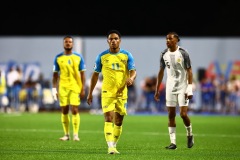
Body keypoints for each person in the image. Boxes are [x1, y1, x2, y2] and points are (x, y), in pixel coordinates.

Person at [87, 30, 137, 154]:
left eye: (115, 38)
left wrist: (131, 78)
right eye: (111, 39)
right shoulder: (102, 56)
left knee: (119, 121)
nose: (113, 41)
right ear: (108, 41)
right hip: (107, 92)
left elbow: (133, 70)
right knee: (108, 118)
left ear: (119, 40)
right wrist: (90, 93)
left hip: (121, 92)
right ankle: (110, 147)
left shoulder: (127, 55)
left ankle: (114, 144)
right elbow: (95, 76)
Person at [154, 32, 194, 150]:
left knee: (183, 114)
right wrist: (157, 89)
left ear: (176, 40)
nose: (168, 41)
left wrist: (189, 87)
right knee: (171, 114)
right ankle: (173, 143)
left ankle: (190, 134)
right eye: (166, 39)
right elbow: (161, 71)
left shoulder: (183, 53)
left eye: (170, 39)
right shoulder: (163, 54)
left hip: (183, 86)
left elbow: (189, 71)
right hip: (170, 87)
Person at [52, 35, 86, 141]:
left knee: (75, 110)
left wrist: (83, 88)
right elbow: (55, 75)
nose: (68, 43)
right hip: (62, 87)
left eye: (70, 42)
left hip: (75, 87)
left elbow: (83, 74)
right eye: (66, 42)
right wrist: (54, 89)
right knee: (64, 110)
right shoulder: (58, 58)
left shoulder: (78, 57)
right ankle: (66, 135)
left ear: (72, 44)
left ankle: (76, 134)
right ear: (63, 44)